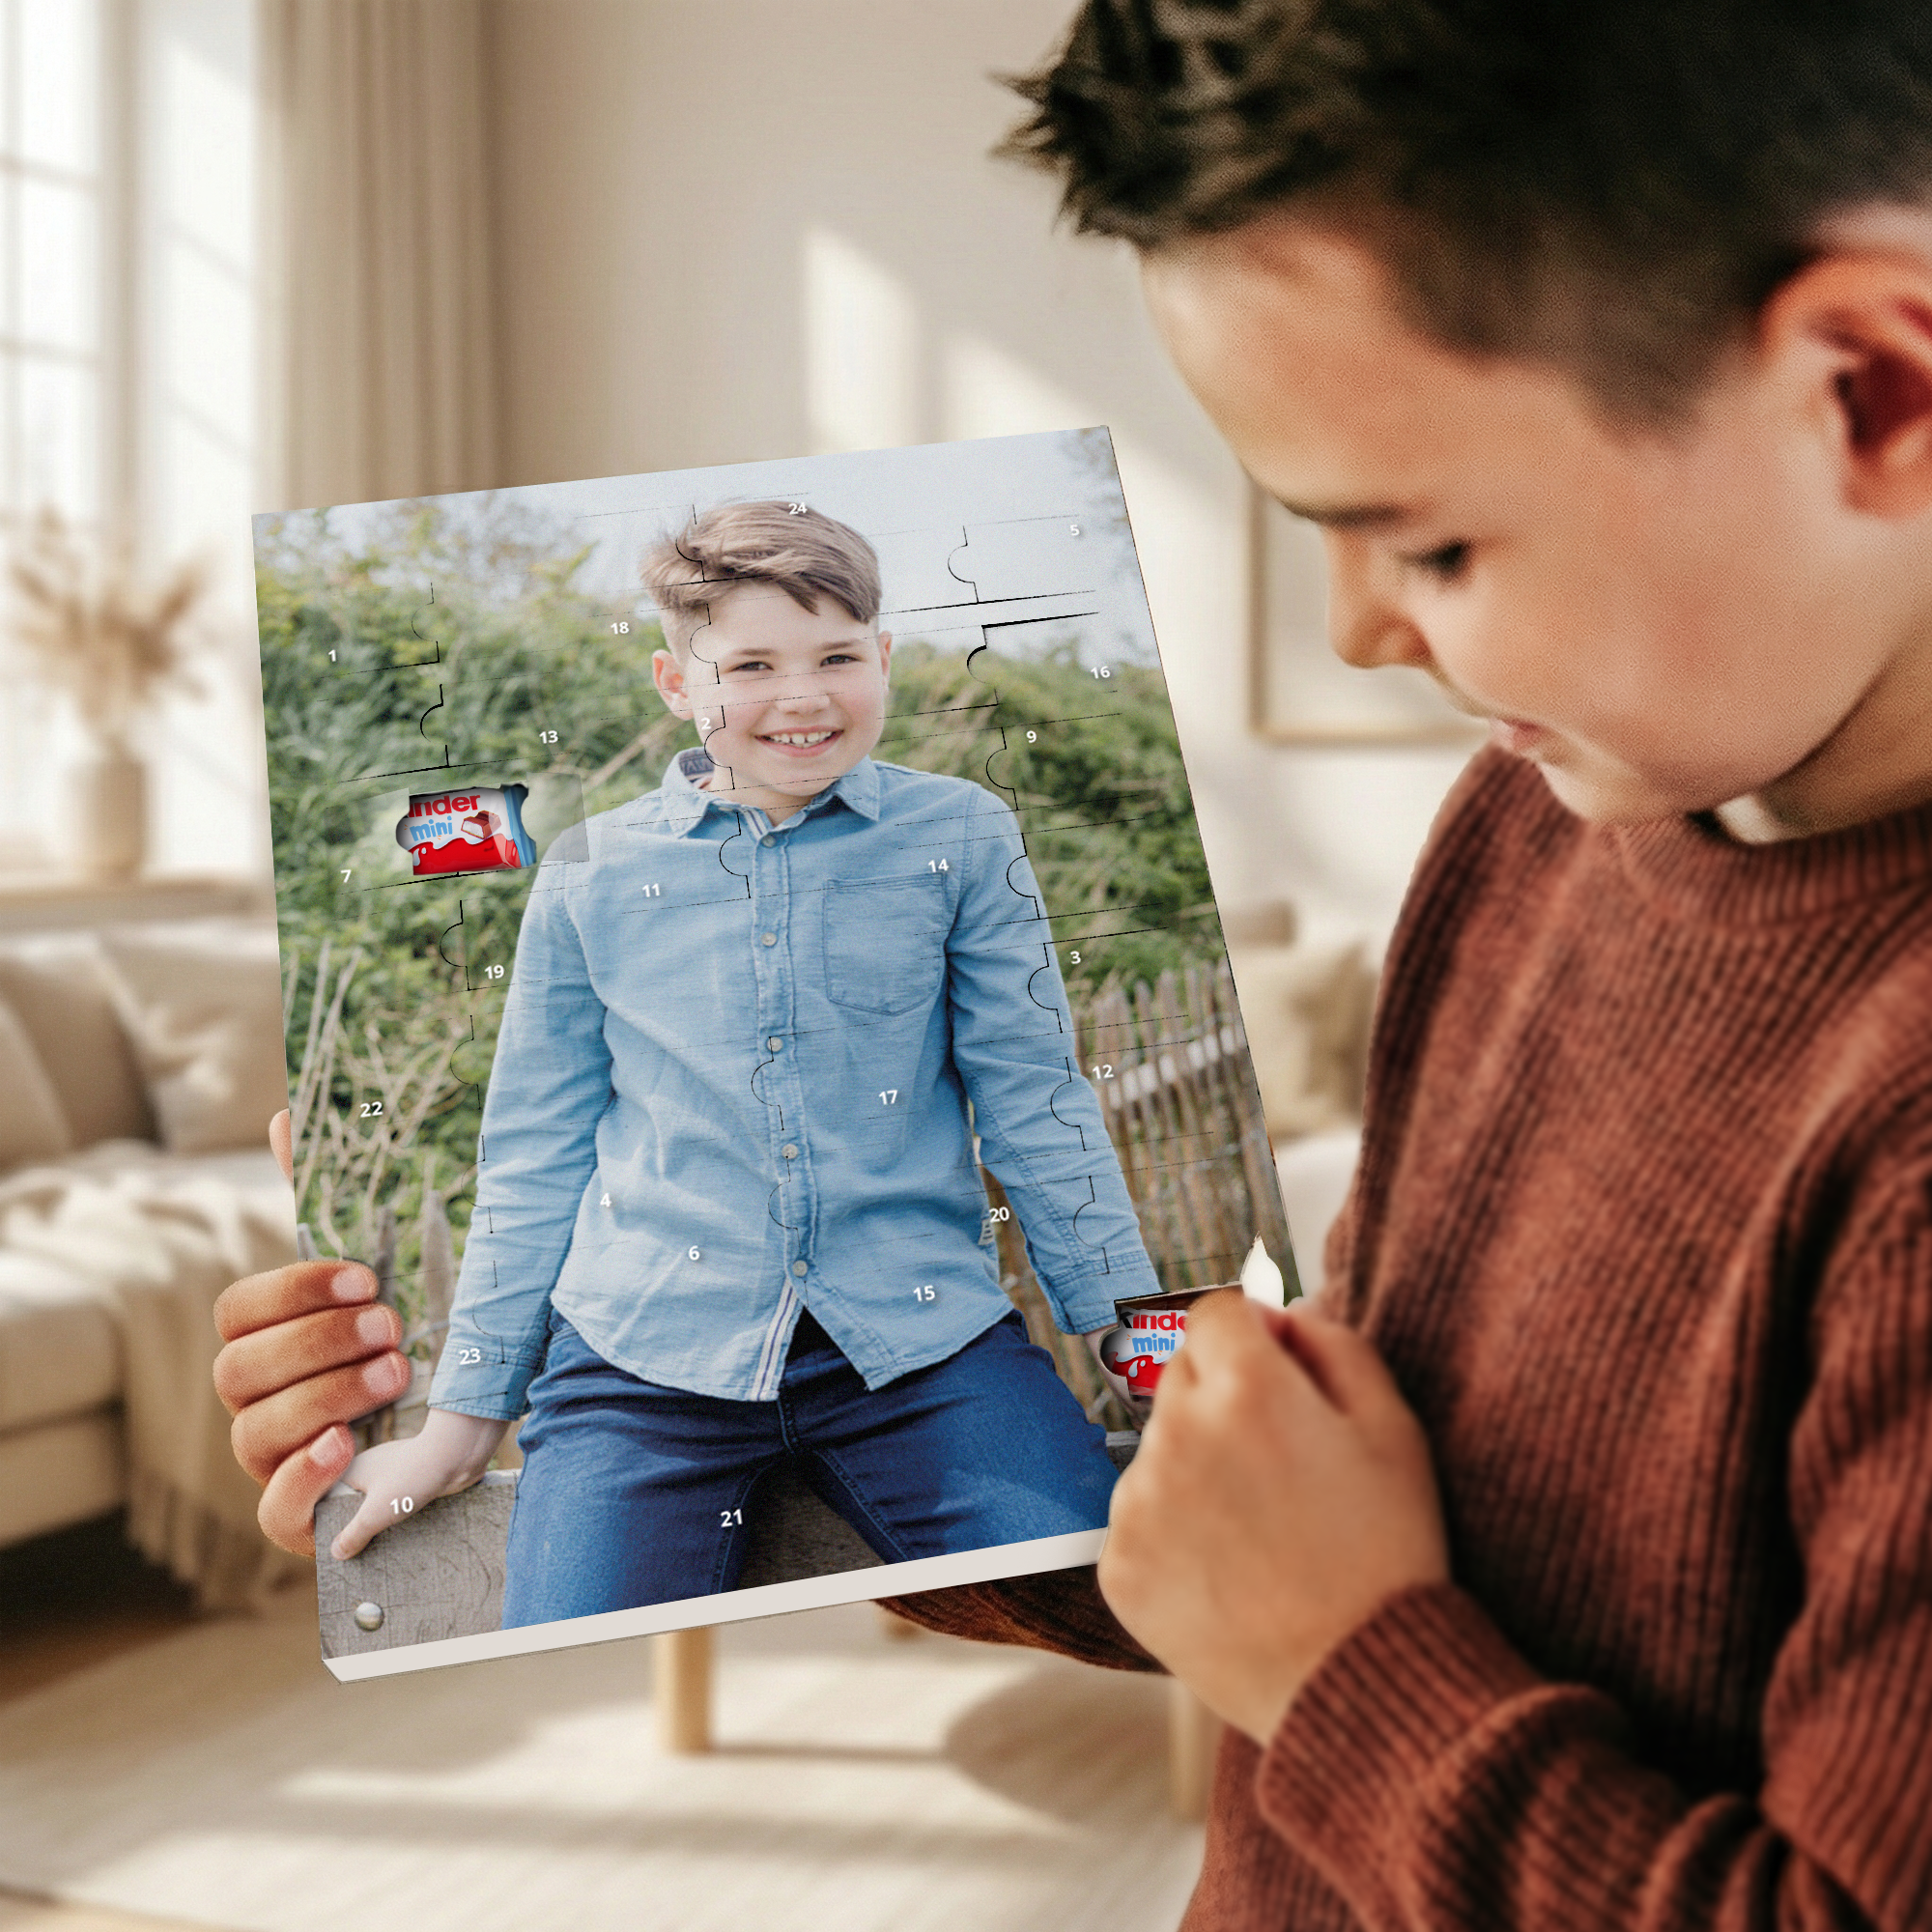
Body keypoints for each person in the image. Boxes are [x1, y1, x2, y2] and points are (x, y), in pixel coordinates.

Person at [214, 1, 1932, 1924]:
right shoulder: (1534, 819)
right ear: (673, 685)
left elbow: (1341, 1621)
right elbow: (1357, 1529)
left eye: (1431, 543)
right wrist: (442, 1404)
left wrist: (1333, 1661)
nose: (1359, 629)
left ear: (1868, 387)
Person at [271, 499, 1156, 1624]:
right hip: (641, 1367)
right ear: (675, 682)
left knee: (1118, 1600)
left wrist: (1143, 1329)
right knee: (569, 1646)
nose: (802, 695)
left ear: (881, 659)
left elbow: (1034, 1096)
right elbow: (536, 1151)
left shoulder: (961, 836)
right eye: (749, 664)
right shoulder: (589, 872)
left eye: (837, 655)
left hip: (922, 1346)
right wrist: (462, 1419)